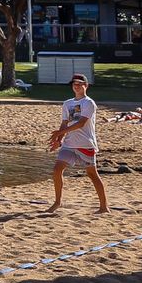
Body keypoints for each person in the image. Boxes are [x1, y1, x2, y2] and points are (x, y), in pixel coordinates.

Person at [47, 74, 108, 214]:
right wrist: (59, 140)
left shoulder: (89, 103)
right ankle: (57, 202)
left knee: (92, 174)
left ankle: (104, 207)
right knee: (57, 170)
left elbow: (81, 123)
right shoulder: (67, 103)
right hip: (69, 144)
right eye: (74, 83)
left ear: (86, 86)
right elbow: (64, 123)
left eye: (80, 84)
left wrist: (58, 133)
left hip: (85, 144)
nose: (76, 86)